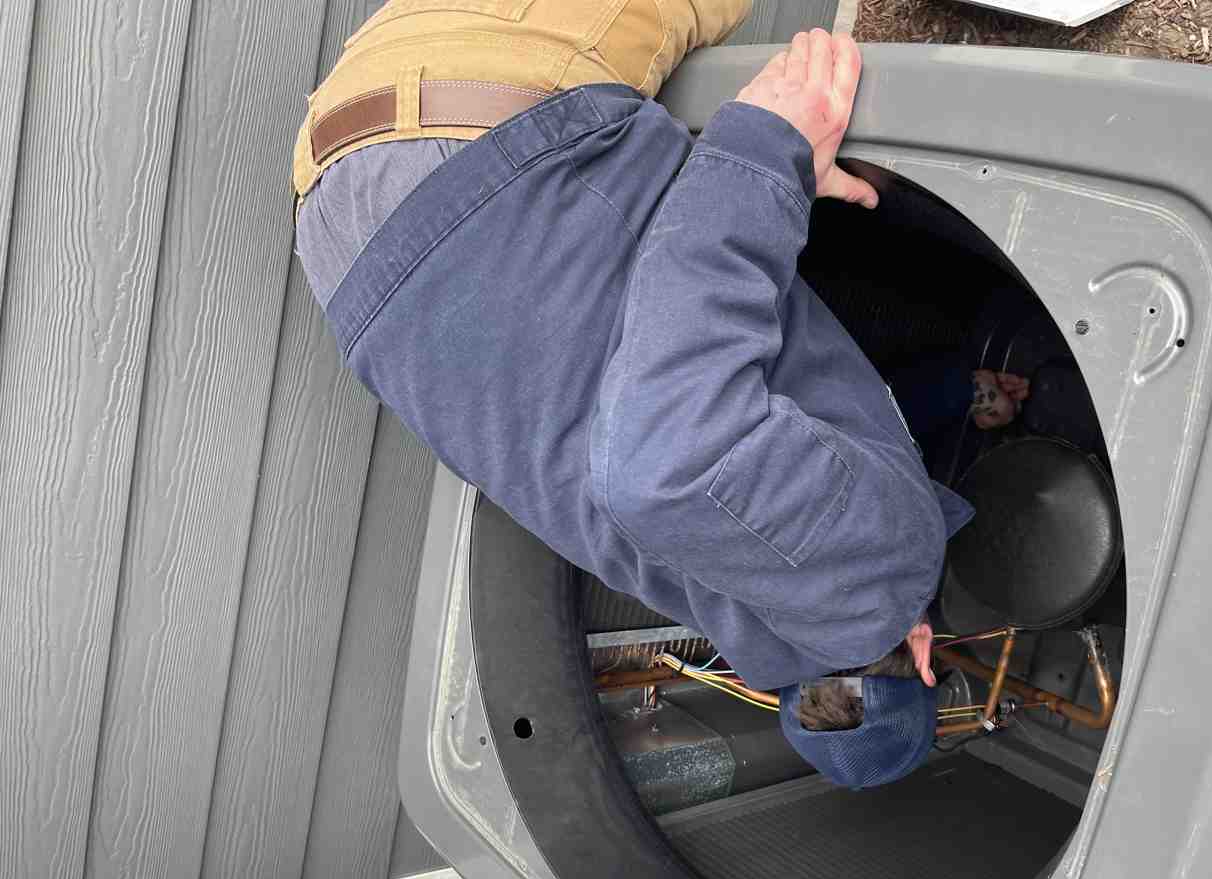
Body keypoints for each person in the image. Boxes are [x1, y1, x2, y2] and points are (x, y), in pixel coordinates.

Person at [292, 2, 974, 788]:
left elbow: (673, 464)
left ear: (921, 661)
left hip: (481, 152)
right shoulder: (739, 597)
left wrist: (765, 152)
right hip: (353, 251)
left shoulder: (877, 587)